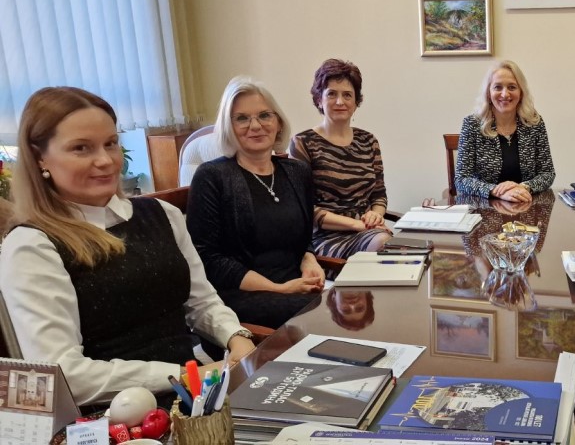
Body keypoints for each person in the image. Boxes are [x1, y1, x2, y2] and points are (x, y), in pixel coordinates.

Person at [0, 87, 255, 406]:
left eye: (110, 143)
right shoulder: (32, 246)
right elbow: (64, 374)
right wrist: (183, 375)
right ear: (40, 158)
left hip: (195, 396)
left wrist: (236, 337)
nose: (106, 160)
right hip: (112, 415)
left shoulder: (163, 214)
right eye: (81, 148)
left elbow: (201, 303)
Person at [186, 77, 324, 329]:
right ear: (228, 127)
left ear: (278, 122)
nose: (256, 126)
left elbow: (305, 237)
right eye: (242, 118)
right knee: (327, 314)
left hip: (298, 287)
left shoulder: (297, 172)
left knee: (355, 302)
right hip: (240, 297)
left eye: (264, 115)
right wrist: (279, 289)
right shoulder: (212, 176)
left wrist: (309, 260)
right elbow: (208, 259)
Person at [290, 59, 392, 258]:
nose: (340, 102)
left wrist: (376, 215)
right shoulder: (303, 143)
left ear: (356, 102)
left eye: (347, 95)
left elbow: (379, 195)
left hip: (368, 232)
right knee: (384, 248)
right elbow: (303, 208)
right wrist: (356, 224)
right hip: (324, 239)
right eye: (332, 94)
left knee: (401, 251)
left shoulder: (368, 141)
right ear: (319, 99)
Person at [455, 60, 555, 202]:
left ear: (521, 92)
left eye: (512, 87)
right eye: (498, 87)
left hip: (526, 204)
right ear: (488, 93)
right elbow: (462, 179)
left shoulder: (534, 123)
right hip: (485, 208)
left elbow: (547, 173)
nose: (505, 94)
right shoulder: (472, 124)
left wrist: (523, 187)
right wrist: (496, 191)